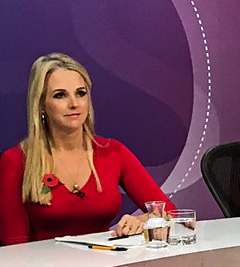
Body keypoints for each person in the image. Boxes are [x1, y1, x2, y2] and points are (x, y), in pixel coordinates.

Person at [0, 53, 174, 244]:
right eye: (60, 95)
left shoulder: (113, 152)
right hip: (42, 263)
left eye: (81, 93)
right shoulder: (16, 161)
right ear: (41, 104)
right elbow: (13, 245)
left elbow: (169, 212)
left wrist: (143, 220)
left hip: (105, 260)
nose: (74, 104)